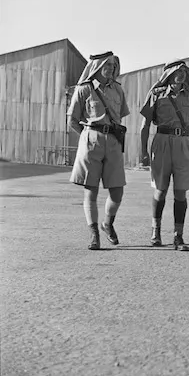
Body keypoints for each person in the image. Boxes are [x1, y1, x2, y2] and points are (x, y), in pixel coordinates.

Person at [139, 59, 189, 250]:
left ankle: (178, 236)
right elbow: (144, 126)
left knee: (181, 192)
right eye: (177, 70)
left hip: (185, 144)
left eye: (184, 71)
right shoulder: (156, 95)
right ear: (168, 74)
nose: (181, 74)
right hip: (162, 141)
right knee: (160, 190)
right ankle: (156, 231)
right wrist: (143, 151)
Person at [67, 51, 129, 250]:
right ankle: (94, 234)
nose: (111, 68)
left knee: (117, 191)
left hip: (113, 141)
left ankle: (107, 224)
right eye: (107, 65)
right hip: (91, 141)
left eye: (113, 65)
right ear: (97, 67)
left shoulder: (118, 90)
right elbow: (73, 120)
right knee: (91, 191)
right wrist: (87, 136)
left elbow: (120, 116)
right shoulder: (84, 89)